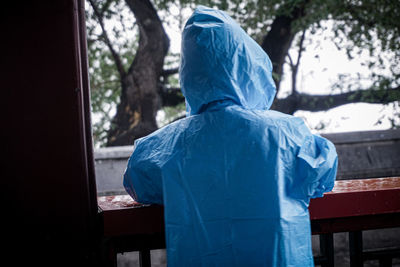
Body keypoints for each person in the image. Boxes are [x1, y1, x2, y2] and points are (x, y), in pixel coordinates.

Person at [124, 5, 338, 266]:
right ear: (247, 62)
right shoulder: (289, 134)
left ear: (189, 72)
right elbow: (323, 173)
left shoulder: (165, 147)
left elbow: (138, 182)